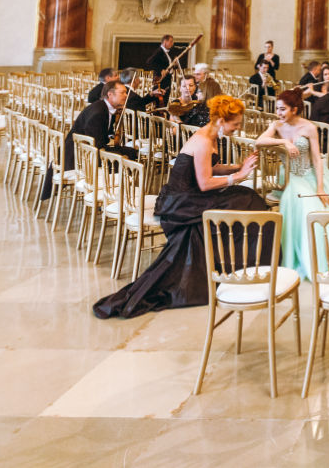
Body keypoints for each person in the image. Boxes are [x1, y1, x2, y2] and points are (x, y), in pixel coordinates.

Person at [93, 95, 269, 318]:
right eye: (235, 125)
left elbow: (210, 168)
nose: (238, 128)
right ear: (222, 120)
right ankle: (238, 265)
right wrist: (238, 177)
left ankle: (234, 263)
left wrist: (237, 167)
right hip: (182, 201)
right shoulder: (205, 140)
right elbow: (205, 183)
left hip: (188, 196)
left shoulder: (211, 134)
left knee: (247, 198)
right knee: (247, 200)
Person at [256, 88, 329, 279]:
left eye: (283, 109)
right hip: (288, 177)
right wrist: (285, 143)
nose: (279, 113)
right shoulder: (276, 125)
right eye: (278, 109)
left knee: (312, 205)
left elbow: (317, 159)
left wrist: (320, 187)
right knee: (302, 202)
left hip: (309, 175)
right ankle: (299, 255)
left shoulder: (308, 128)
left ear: (294, 109)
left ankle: (320, 258)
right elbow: (259, 142)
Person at [42, 78, 136, 200]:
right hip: (78, 158)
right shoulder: (98, 112)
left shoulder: (101, 107)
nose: (126, 95)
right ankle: (113, 199)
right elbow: (97, 146)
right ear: (110, 94)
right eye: (122, 92)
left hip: (81, 153)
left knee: (128, 152)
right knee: (127, 158)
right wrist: (121, 150)